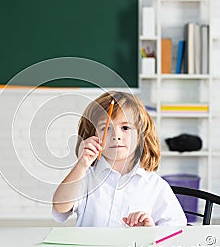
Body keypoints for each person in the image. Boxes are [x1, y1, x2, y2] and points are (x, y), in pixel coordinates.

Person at [52, 91, 187, 227]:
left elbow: (177, 230)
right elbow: (60, 207)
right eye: (106, 128)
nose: (116, 135)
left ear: (141, 135)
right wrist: (82, 164)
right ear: (92, 134)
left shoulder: (155, 186)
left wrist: (151, 231)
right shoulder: (86, 176)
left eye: (125, 127)